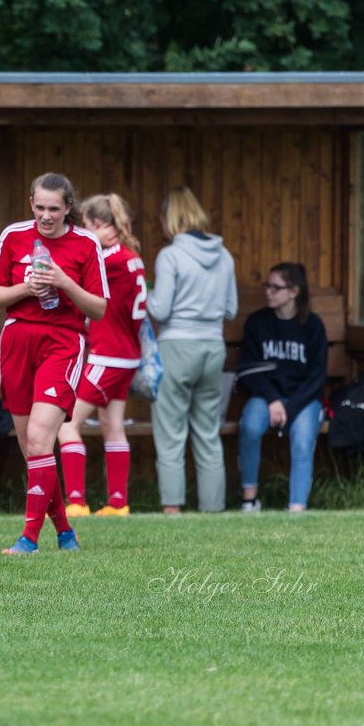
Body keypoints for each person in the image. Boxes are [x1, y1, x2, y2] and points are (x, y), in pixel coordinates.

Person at [0, 173, 107, 554]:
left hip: (62, 342)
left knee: (40, 438)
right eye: (39, 207)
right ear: (31, 203)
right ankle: (66, 532)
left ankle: (29, 539)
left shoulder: (86, 243)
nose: (46, 216)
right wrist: (27, 287)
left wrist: (64, 282)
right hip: (17, 340)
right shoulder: (13, 236)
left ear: (69, 208)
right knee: (31, 448)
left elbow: (99, 309)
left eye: (54, 209)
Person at [56, 193, 147, 518]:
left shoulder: (109, 259)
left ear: (97, 224)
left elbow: (77, 276)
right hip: (126, 355)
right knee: (112, 425)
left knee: (67, 424)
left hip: (107, 355)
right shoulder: (131, 255)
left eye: (85, 225)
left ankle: (77, 502)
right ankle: (118, 503)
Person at [148, 186, 237, 514]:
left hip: (176, 345)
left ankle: (172, 508)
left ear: (169, 217)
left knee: (170, 430)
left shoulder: (170, 255)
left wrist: (145, 294)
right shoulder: (224, 255)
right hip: (213, 346)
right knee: (207, 431)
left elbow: (160, 309)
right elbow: (230, 308)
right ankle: (212, 509)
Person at [237, 263, 328, 512]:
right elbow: (249, 370)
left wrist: (293, 407)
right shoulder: (257, 323)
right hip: (267, 397)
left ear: (293, 292)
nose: (268, 292)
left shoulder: (312, 326)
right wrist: (273, 400)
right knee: (250, 426)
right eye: (267, 286)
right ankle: (250, 499)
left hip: (303, 399)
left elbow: (317, 377)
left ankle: (297, 506)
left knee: (302, 438)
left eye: (275, 288)